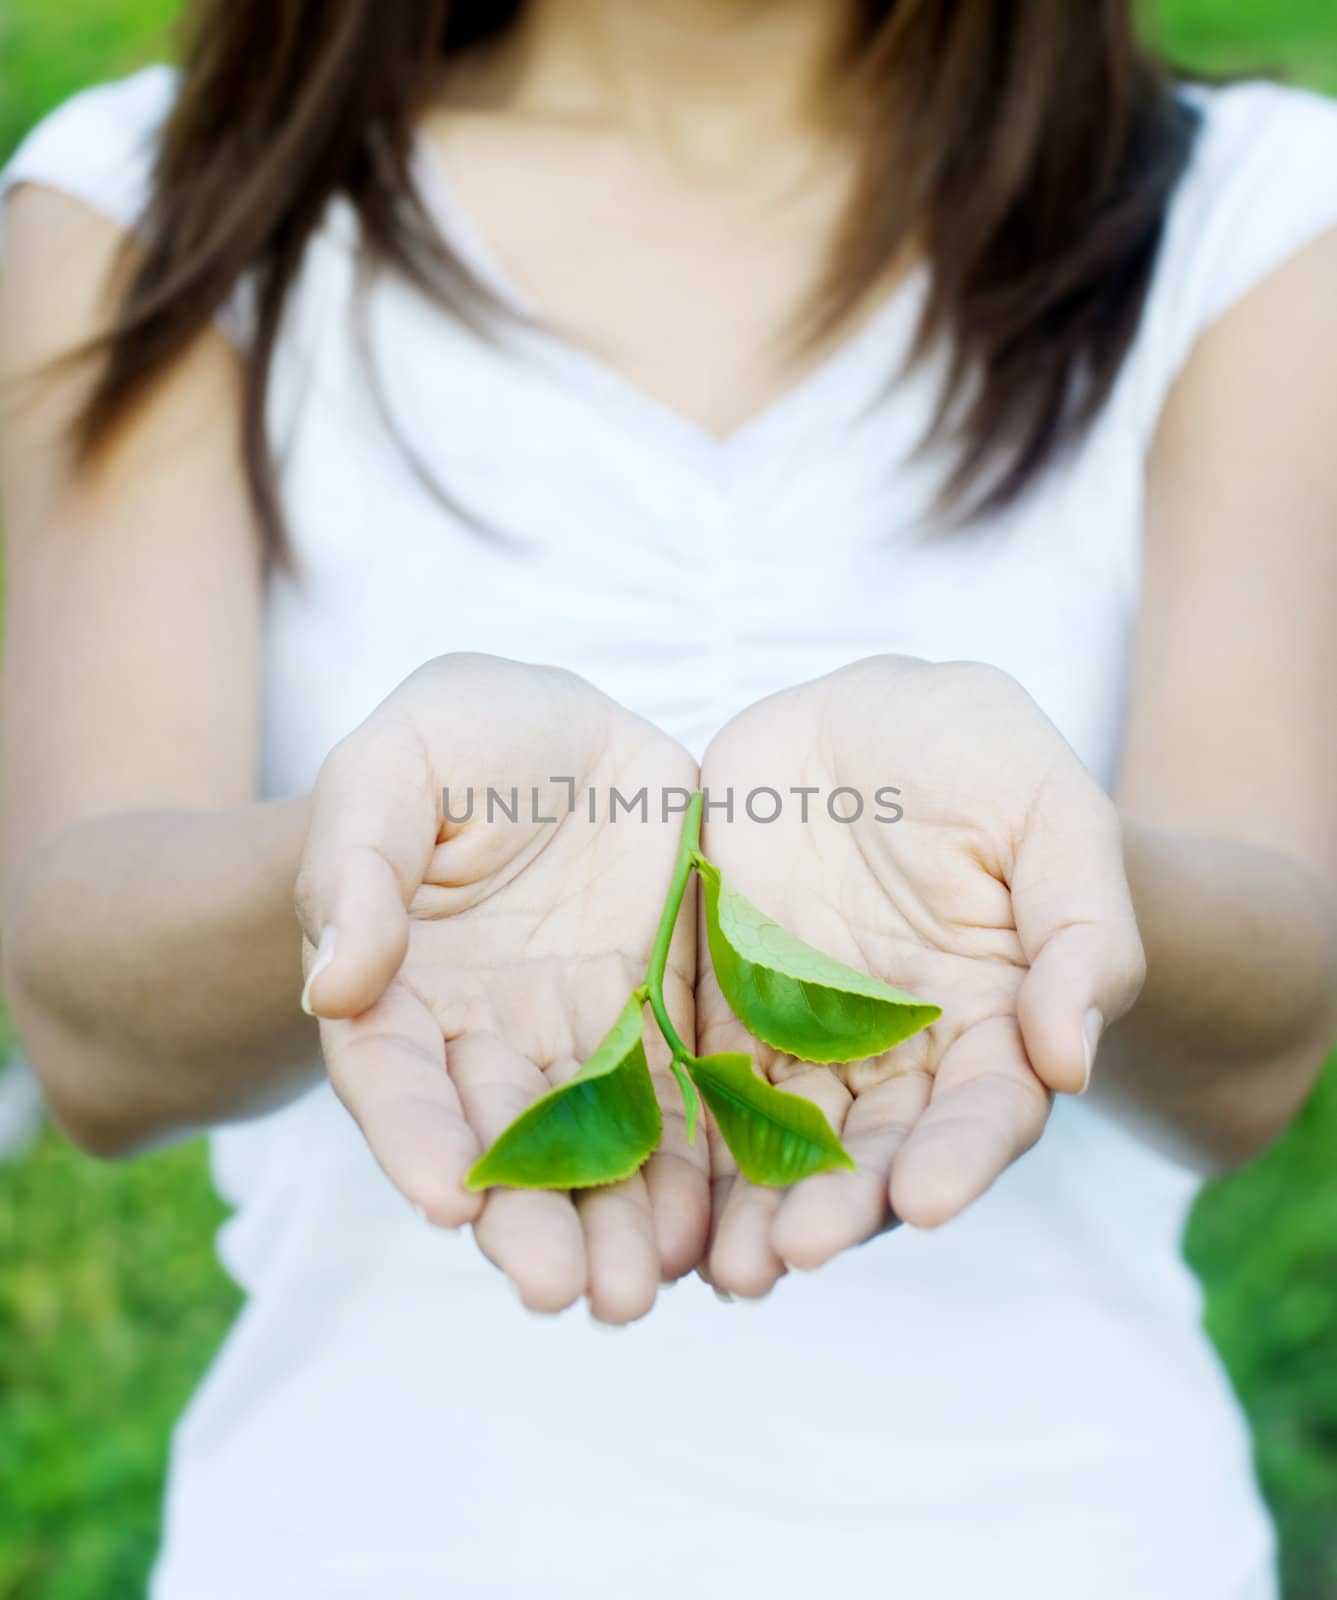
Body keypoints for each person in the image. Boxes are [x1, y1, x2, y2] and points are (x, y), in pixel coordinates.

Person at [2, 3, 1336, 1596]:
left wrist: (1051, 872)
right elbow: (86, 1020)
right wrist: (367, 859)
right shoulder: (164, 200)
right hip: (364, 1543)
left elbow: (1257, 1045)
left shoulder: (1245, 213)